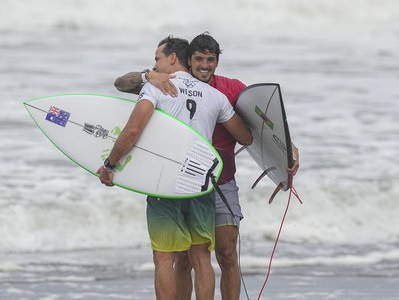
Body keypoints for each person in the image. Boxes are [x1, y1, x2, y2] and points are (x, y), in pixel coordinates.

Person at [114, 33, 300, 300]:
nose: (204, 65)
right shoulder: (164, 82)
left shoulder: (230, 89)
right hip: (189, 183)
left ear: (217, 62)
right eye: (198, 59)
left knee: (225, 252)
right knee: (185, 257)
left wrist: (290, 148)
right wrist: (148, 75)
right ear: (188, 60)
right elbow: (121, 84)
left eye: (210, 60)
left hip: (220, 182)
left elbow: (267, 121)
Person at [98, 36, 253, 300]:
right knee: (201, 255)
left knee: (164, 257)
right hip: (200, 186)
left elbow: (133, 129)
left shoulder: (157, 89)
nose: (155, 65)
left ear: (172, 58)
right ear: (189, 59)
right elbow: (246, 137)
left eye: (157, 59)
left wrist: (110, 164)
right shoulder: (214, 96)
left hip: (166, 184)